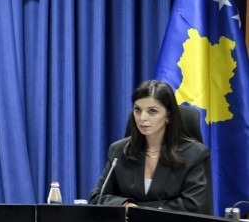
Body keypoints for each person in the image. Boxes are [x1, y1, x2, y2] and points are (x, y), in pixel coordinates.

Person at [89, 80, 210, 214]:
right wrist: (127, 205)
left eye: (152, 111)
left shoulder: (194, 154)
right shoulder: (119, 150)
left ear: (168, 115)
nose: (142, 118)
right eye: (137, 110)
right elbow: (98, 197)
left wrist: (142, 212)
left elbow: (193, 205)